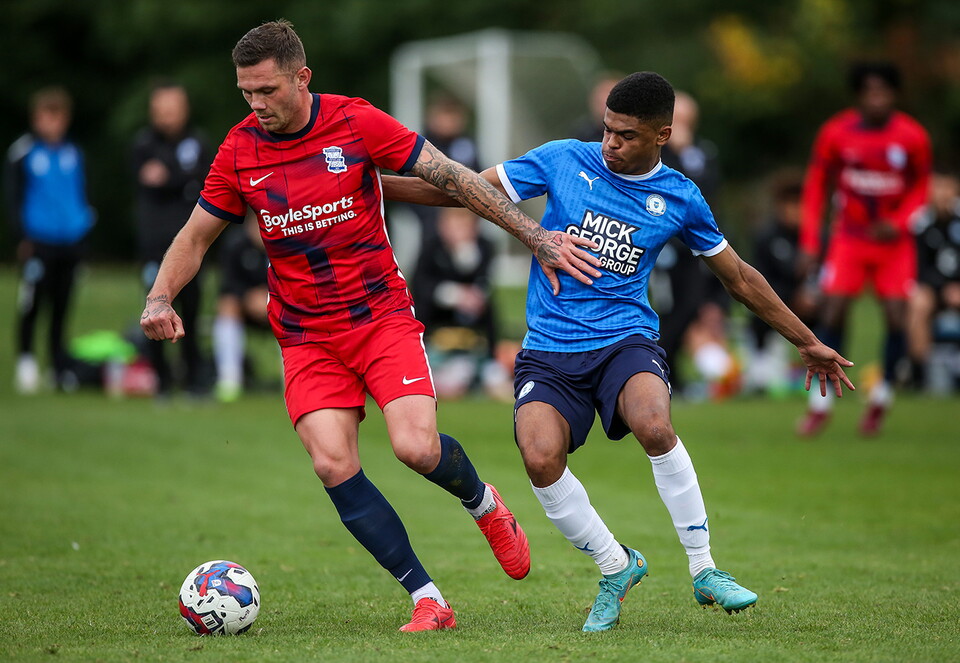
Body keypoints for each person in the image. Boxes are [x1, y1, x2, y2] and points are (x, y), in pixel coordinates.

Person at [139, 19, 602, 633]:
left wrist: (536, 236)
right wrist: (159, 297)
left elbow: (454, 179)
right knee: (332, 464)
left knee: (415, 447)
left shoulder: (356, 122)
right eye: (245, 93)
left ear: (302, 78)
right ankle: (427, 598)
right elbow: (197, 235)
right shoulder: (238, 149)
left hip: (379, 317)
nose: (256, 105)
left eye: (267, 91)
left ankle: (483, 503)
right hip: (305, 335)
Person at [384, 71, 855, 632]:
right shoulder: (562, 159)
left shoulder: (680, 196)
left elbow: (740, 279)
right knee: (538, 458)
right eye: (607, 129)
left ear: (663, 134)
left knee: (654, 423)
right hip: (549, 350)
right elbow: (462, 189)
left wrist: (806, 341)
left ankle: (704, 569)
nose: (610, 143)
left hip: (625, 340)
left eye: (627, 135)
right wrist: (373, 185)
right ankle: (616, 565)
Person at [797, 61, 932, 437]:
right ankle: (819, 406)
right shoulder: (836, 133)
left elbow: (921, 188)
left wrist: (901, 221)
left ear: (894, 94)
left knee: (895, 316)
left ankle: (880, 399)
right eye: (869, 91)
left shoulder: (912, 137)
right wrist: (810, 241)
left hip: (894, 244)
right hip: (850, 238)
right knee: (834, 310)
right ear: (859, 95)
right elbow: (815, 187)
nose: (876, 99)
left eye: (883, 91)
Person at [5, 86, 94, 393]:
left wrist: (83, 234)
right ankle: (26, 361)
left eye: (58, 117)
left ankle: (57, 365)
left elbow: (80, 197)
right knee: (32, 303)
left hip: (70, 242)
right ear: (37, 118)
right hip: (38, 241)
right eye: (47, 117)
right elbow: (13, 199)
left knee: (62, 305)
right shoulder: (23, 152)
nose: (52, 124)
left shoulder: (73, 153)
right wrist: (23, 237)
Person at [653, 91, 737, 399]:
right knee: (671, 309)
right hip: (668, 247)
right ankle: (664, 371)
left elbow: (706, 191)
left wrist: (687, 149)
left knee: (691, 307)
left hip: (697, 242)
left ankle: (671, 373)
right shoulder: (659, 153)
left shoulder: (703, 151)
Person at [132, 82, 214, 398]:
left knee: (192, 309)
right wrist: (182, 179)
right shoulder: (142, 144)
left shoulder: (198, 141)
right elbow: (148, 179)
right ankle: (161, 383)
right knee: (154, 310)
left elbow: (201, 181)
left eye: (173, 110)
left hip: (192, 244)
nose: (167, 117)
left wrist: (172, 177)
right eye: (161, 111)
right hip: (154, 243)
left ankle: (194, 380)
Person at [411, 206, 510, 400]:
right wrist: (454, 295)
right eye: (453, 226)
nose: (458, 232)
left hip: (475, 334)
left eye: (464, 226)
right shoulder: (431, 248)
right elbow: (421, 286)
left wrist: (474, 294)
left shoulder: (484, 247)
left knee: (495, 377)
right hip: (438, 332)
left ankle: (484, 371)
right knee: (451, 380)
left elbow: (484, 281)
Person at [745, 168, 820, 393]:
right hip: (771, 314)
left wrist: (814, 296)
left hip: (813, 308)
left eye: (802, 205)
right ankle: (760, 361)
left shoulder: (820, 237)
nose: (797, 212)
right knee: (763, 383)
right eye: (792, 205)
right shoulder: (766, 237)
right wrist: (790, 297)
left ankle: (826, 360)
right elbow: (756, 283)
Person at [907, 170, 960, 393]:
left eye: (947, 188)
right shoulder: (920, 223)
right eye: (937, 188)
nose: (942, 194)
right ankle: (922, 373)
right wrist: (943, 287)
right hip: (932, 289)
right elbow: (917, 267)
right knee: (918, 303)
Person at [212, 210, 270, 402]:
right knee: (227, 305)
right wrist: (247, 297)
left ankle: (295, 378)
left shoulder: (286, 243)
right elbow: (227, 284)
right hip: (246, 308)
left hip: (281, 306)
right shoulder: (235, 245)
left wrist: (271, 297)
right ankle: (230, 380)